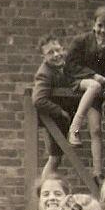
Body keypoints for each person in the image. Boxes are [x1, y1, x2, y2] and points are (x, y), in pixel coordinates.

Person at [64, 5, 105, 186]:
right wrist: (92, 75)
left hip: (95, 92)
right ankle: (75, 127)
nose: (103, 30)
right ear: (94, 24)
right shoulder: (81, 41)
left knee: (96, 130)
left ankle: (97, 173)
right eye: (100, 25)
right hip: (78, 82)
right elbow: (69, 65)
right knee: (94, 85)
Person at [31, 34, 74, 181]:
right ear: (43, 57)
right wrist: (60, 111)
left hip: (59, 121)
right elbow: (38, 99)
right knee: (54, 158)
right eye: (50, 53)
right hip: (52, 121)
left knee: (56, 158)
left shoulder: (64, 66)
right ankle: (43, 189)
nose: (56, 55)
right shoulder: (44, 73)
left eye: (57, 50)